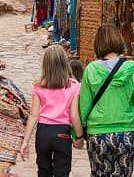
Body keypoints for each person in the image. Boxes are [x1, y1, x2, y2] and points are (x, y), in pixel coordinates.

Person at [80, 24, 134, 176]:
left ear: (97, 44)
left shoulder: (91, 70)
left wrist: (77, 133)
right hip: (125, 134)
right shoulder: (131, 69)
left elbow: (83, 106)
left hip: (98, 135)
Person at [20, 47, 83, 177]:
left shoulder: (39, 86)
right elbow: (74, 115)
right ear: (65, 63)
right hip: (62, 133)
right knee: (62, 171)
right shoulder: (74, 85)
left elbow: (33, 115)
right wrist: (79, 136)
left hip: (43, 133)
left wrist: (25, 141)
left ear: (45, 65)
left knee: (43, 171)